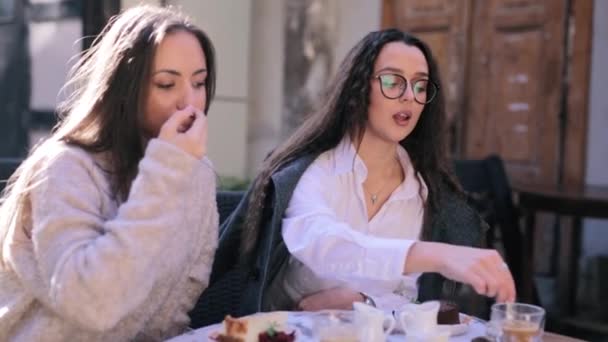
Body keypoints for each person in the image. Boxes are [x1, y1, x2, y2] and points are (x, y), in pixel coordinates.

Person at [200, 28, 515, 322]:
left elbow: (410, 298)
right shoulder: (312, 172)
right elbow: (322, 243)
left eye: (420, 85)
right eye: (393, 82)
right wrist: (435, 255)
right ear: (360, 88)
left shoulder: (421, 191)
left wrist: (363, 300)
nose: (409, 96)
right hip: (289, 332)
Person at [0, 5, 218, 341]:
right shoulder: (65, 167)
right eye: (166, 84)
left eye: (199, 83)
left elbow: (178, 300)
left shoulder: (195, 175)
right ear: (124, 87)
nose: (188, 102)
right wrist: (166, 172)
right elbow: (93, 305)